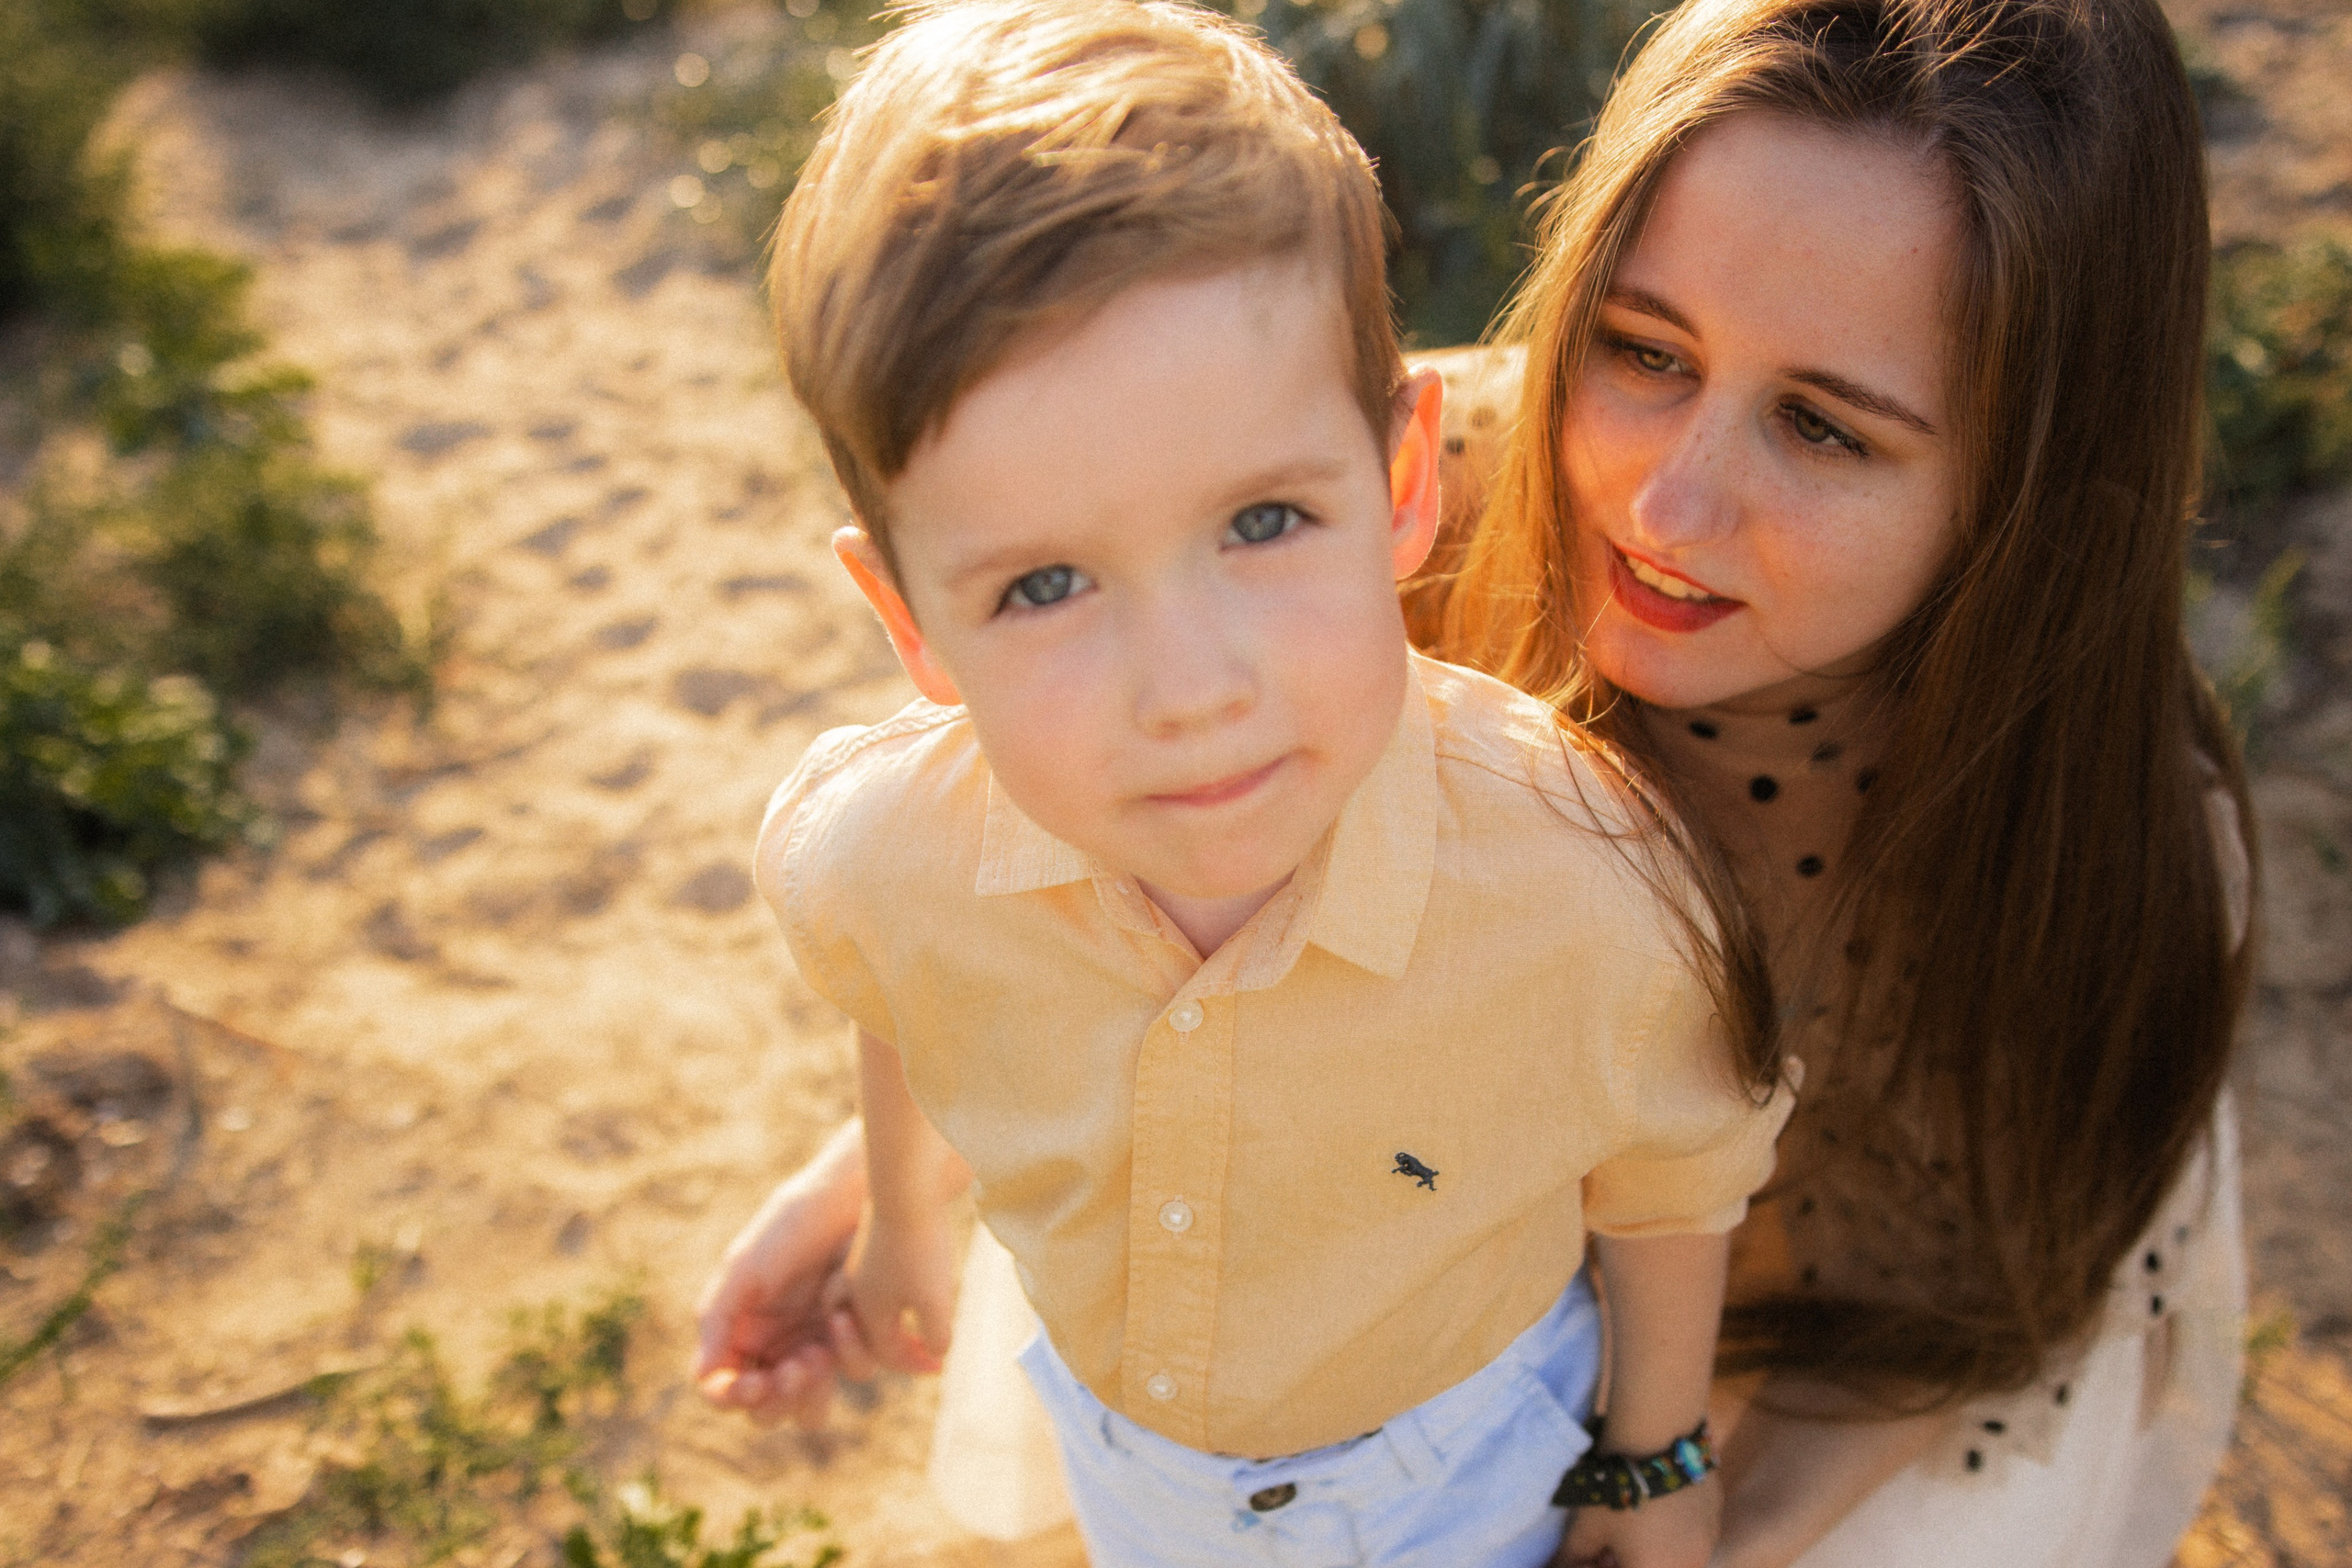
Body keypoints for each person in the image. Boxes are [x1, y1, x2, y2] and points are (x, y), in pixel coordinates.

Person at [697, 0, 2256, 1563]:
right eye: (1644, 348)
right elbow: (1111, 937)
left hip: (1802, 1383)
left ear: (2025, 474)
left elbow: (1950, 1308)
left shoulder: (2091, 842)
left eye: (1822, 427)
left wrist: (1665, 1491)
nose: (1666, 500)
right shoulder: (1353, 505)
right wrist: (869, 1187)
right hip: (1350, 1277)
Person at [717, 3, 1797, 1565]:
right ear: (909, 624)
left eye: (1264, 524)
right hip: (1131, 1453)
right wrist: (899, 1218)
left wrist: (1658, 1452)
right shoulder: (878, 851)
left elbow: (1671, 1179)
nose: (1195, 686)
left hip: (1464, 1462)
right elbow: (898, 995)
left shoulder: (1586, 884)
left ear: (1403, 484)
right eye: (1043, 587)